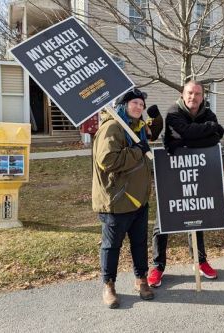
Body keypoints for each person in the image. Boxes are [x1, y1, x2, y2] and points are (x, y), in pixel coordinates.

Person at [148, 80, 224, 287]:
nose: (193, 97)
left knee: (196, 216)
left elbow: (216, 137)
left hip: (198, 171)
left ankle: (199, 261)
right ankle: (157, 266)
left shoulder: (208, 113)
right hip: (173, 172)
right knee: (162, 221)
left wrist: (184, 141)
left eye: (198, 94)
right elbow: (183, 134)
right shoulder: (173, 112)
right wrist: (205, 130)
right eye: (190, 93)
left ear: (202, 96)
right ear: (183, 94)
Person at [92, 88, 163, 309]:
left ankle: (141, 279)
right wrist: (137, 151)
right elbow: (107, 160)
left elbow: (152, 133)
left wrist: (157, 119)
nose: (139, 107)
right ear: (123, 105)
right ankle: (109, 285)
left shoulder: (136, 128)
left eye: (141, 105)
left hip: (138, 199)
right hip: (117, 200)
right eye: (135, 103)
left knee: (139, 243)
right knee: (111, 246)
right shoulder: (112, 127)